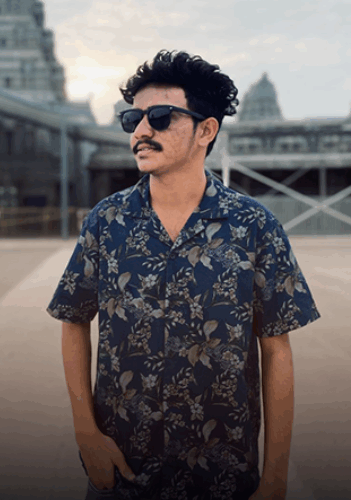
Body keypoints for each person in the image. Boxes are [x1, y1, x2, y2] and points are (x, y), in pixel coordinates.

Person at [47, 50, 320, 500]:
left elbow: (276, 351)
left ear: (206, 130)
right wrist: (86, 434)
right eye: (132, 119)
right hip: (122, 472)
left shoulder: (255, 226)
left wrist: (275, 477)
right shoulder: (106, 221)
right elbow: (73, 319)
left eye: (159, 117)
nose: (141, 131)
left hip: (224, 476)